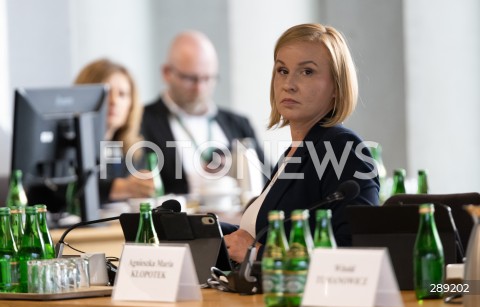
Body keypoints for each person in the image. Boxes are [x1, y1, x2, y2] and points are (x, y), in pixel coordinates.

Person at [224, 23, 380, 263]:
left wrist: (256, 253)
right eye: (282, 70)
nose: (289, 84)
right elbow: (261, 235)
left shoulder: (343, 149)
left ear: (336, 87)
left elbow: (353, 254)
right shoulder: (294, 153)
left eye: (307, 72)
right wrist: (206, 231)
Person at [141, 30, 267, 197]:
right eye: (190, 79)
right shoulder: (141, 121)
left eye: (208, 78)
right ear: (166, 73)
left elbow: (268, 178)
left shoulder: (238, 124)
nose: (199, 88)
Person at [75, 58, 155, 203]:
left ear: (131, 104)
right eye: (106, 93)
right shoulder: (68, 146)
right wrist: (120, 188)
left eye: (122, 94)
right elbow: (65, 191)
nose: (114, 101)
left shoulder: (130, 149)